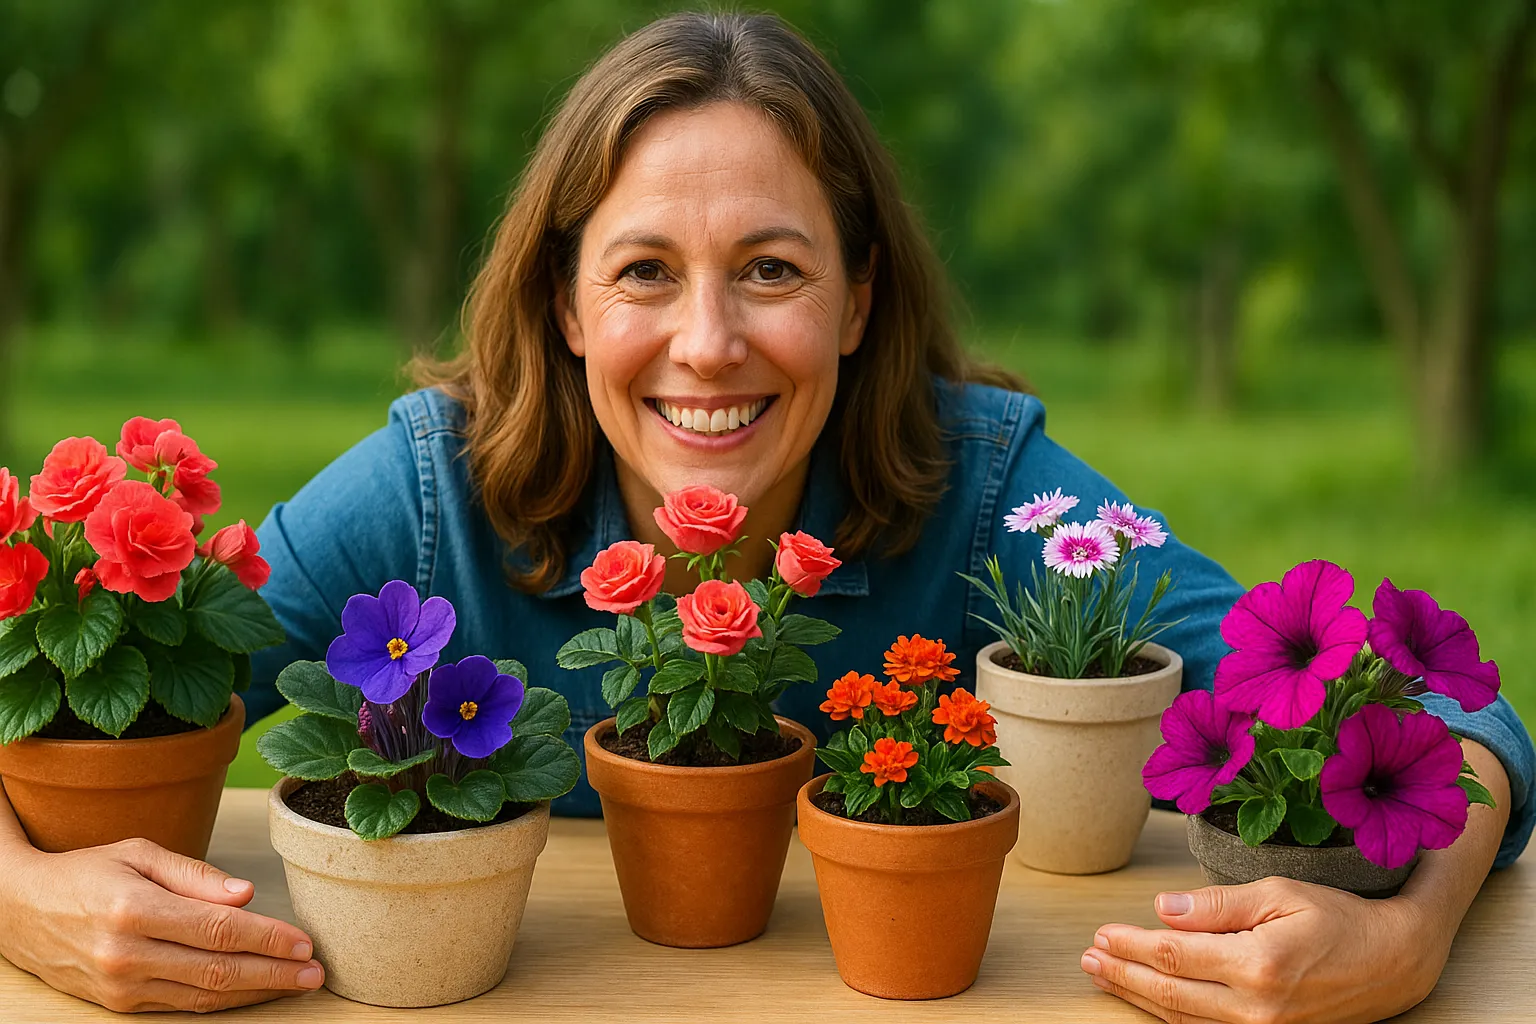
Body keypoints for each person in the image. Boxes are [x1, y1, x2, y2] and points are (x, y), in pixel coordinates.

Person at [1, 11, 1530, 1019]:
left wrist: (1408, 938)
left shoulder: (988, 487)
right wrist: (25, 902)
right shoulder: (430, 492)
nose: (711, 343)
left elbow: (1469, 717)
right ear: (566, 300)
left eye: (776, 271)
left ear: (864, 301)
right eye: (647, 270)